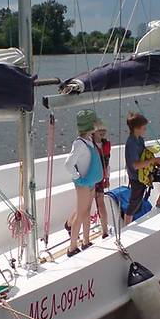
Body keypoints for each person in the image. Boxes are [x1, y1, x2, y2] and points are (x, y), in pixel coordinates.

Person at [124, 113, 160, 225]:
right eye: (144, 128)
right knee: (134, 204)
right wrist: (153, 160)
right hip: (137, 177)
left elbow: (144, 157)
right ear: (136, 128)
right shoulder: (131, 144)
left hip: (147, 172)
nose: (145, 130)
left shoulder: (140, 140)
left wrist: (158, 161)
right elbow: (136, 165)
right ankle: (126, 227)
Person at [63, 109, 103, 257]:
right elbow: (68, 164)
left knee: (87, 212)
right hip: (83, 183)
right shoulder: (79, 144)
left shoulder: (89, 140)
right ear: (89, 125)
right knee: (80, 214)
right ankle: (72, 247)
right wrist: (78, 177)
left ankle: (86, 241)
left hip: (89, 182)